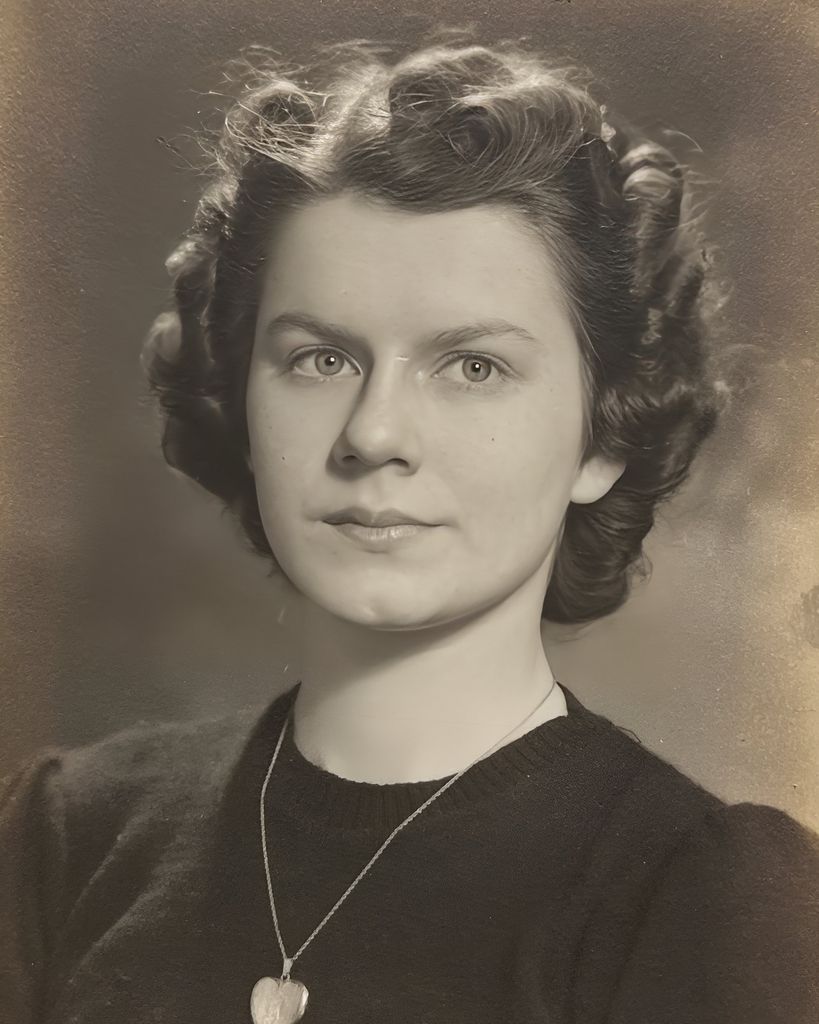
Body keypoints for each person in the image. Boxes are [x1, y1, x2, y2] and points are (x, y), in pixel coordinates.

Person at [1, 35, 817, 1024]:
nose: (373, 434)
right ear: (244, 401)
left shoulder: (696, 898)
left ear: (605, 434)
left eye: (472, 366)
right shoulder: (68, 837)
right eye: (321, 359)